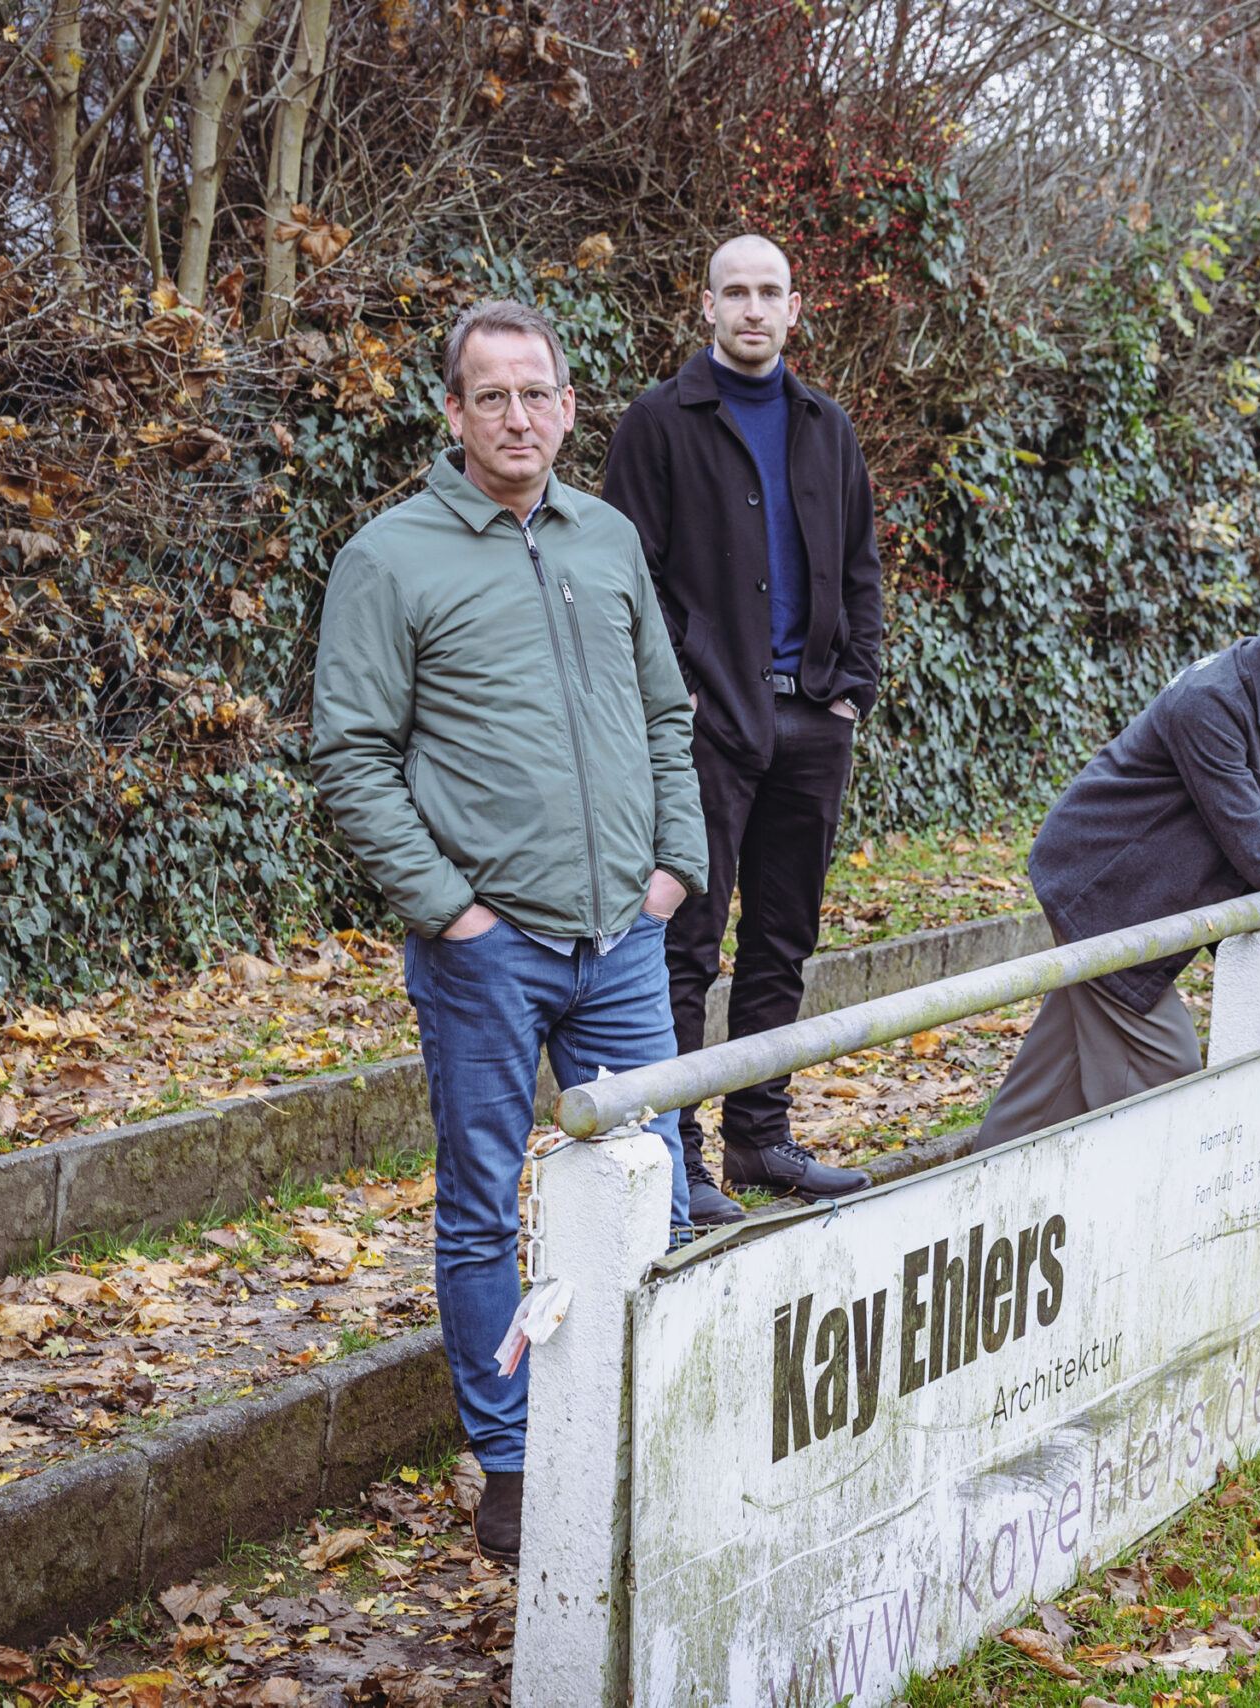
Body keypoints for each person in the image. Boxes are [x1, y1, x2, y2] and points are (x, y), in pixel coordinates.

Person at [310, 300, 707, 1567]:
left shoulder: (608, 538)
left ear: (569, 405)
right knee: (483, 1205)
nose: (517, 416)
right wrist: (453, 913)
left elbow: (664, 710)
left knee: (656, 1186)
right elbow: (352, 758)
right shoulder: (390, 557)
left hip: (624, 940)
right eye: (491, 396)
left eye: (536, 392)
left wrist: (674, 866)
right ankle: (517, 1461)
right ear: (453, 414)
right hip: (488, 947)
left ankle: (658, 1423)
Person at [972, 542, 1260, 1148]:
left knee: (1053, 1080)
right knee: (1170, 1085)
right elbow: (1259, 848)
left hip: (1157, 888)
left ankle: (964, 1202)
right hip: (1107, 888)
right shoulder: (1212, 699)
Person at [602, 234, 885, 1217]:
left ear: (794, 308)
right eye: (736, 292)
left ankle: (759, 1141)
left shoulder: (824, 425)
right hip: (703, 724)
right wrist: (669, 693)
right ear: (707, 307)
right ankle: (676, 1148)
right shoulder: (659, 422)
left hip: (812, 717)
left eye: (770, 292)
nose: (753, 308)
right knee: (685, 940)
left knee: (781, 937)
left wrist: (852, 686)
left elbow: (859, 568)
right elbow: (624, 580)